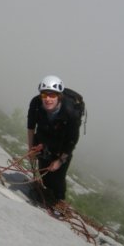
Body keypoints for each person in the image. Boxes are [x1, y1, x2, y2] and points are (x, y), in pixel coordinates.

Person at [26, 75, 81, 203]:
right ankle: (46, 195)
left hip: (62, 146)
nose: (48, 99)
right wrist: (30, 149)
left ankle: (59, 201)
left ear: (59, 97)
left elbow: (72, 140)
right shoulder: (36, 103)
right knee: (43, 171)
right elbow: (30, 127)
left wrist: (60, 161)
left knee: (58, 178)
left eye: (52, 95)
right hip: (42, 140)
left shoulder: (70, 112)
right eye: (44, 95)